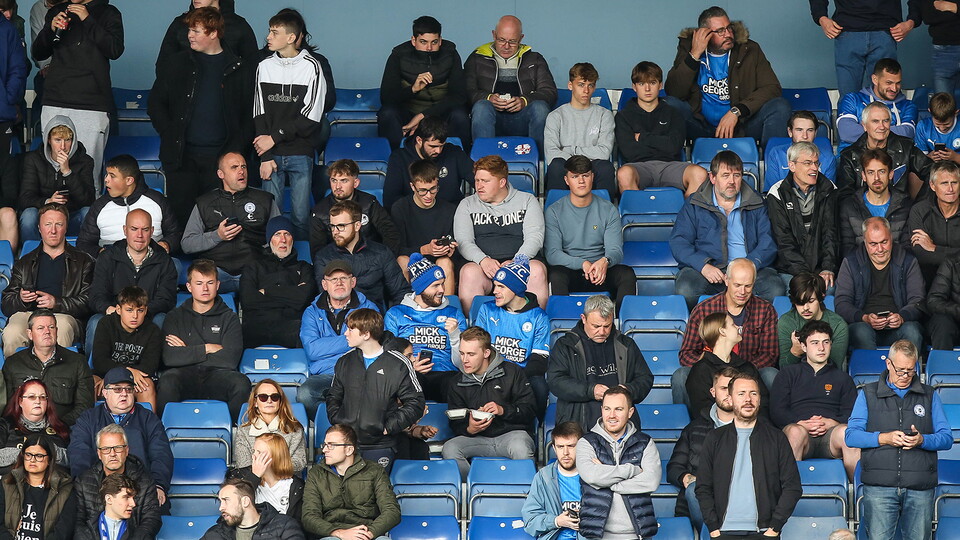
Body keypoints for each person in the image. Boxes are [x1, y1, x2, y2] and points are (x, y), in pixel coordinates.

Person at [148, 5, 255, 227]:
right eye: (190, 30)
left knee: (219, 224)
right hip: (182, 157)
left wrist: (235, 150)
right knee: (181, 221)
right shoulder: (176, 64)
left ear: (214, 33)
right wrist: (170, 133)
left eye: (196, 31)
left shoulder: (239, 69)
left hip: (221, 158)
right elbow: (155, 104)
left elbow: (249, 115)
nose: (189, 36)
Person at [845, 339, 953, 540]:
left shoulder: (929, 395)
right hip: (879, 487)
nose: (905, 376)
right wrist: (883, 438)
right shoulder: (867, 393)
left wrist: (922, 440)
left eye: (910, 370)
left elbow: (946, 438)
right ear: (888, 364)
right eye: (900, 370)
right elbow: (851, 436)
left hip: (920, 486)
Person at [664, 5, 790, 148]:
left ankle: (772, 164)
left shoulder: (749, 49)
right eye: (720, 31)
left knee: (780, 106)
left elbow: (772, 87)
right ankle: (670, 165)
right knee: (669, 104)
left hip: (741, 127)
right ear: (705, 34)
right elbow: (674, 92)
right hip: (700, 127)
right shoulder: (689, 49)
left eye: (729, 28)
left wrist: (736, 111)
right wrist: (694, 55)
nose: (728, 34)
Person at [696, 372, 802, 539]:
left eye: (753, 393)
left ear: (759, 399)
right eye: (741, 393)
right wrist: (714, 528)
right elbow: (703, 487)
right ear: (730, 399)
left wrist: (774, 528)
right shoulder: (715, 438)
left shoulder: (776, 438)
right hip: (723, 532)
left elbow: (793, 487)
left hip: (765, 532)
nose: (748, 399)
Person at [670, 151, 783, 307]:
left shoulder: (757, 202)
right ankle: (706, 330)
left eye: (736, 175)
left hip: (749, 269)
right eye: (725, 175)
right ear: (712, 177)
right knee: (686, 289)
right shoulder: (695, 203)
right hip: (710, 271)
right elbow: (679, 242)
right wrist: (703, 266)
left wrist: (748, 265)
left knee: (774, 290)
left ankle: (753, 329)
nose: (732, 181)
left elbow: (768, 241)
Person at [32, 0, 123, 183]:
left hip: (92, 103)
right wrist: (50, 29)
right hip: (55, 99)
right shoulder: (58, 10)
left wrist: (87, 19)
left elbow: (114, 49)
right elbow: (38, 53)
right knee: (53, 171)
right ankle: (54, 211)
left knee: (88, 173)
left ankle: (89, 212)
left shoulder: (109, 12)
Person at [254, 9, 324, 241]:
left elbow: (311, 118)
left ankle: (303, 264)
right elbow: (258, 113)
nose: (268, 37)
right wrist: (265, 155)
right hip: (271, 155)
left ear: (291, 38)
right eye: (270, 31)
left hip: (300, 152)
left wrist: (273, 138)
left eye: (275, 32)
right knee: (272, 218)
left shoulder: (312, 66)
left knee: (301, 217)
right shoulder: (264, 66)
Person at [326, 309, 424, 472]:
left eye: (351, 329)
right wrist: (338, 420)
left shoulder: (397, 363)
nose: (345, 334)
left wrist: (388, 426)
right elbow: (333, 396)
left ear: (366, 334)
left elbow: (416, 402)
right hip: (347, 444)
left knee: (375, 494)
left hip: (380, 445)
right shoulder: (345, 361)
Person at [159, 259, 250, 420]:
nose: (205, 288)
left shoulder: (230, 317)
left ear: (218, 285)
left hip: (218, 376)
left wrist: (186, 352)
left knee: (241, 383)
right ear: (189, 287)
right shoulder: (175, 316)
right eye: (199, 283)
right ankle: (166, 432)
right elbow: (169, 357)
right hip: (184, 376)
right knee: (167, 381)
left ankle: (233, 435)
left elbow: (229, 360)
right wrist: (207, 348)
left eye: (210, 282)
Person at [454, 155, 547, 313]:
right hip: (483, 267)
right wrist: (483, 260)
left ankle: (533, 324)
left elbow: (535, 238)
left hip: (519, 263)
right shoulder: (467, 204)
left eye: (485, 181)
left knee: (537, 270)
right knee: (469, 273)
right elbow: (463, 241)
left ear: (502, 182)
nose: (479, 186)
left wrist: (517, 262)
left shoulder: (527, 200)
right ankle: (475, 331)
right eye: (477, 180)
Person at [442, 326, 537, 479]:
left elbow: (530, 410)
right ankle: (476, 490)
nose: (464, 360)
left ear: (486, 353)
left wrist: (503, 410)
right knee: (450, 448)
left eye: (471, 354)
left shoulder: (512, 372)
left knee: (521, 447)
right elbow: (454, 422)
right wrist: (469, 428)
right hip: (476, 439)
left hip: (511, 435)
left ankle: (522, 493)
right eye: (462, 353)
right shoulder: (456, 382)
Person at [548, 295, 653, 430]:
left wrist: (628, 391)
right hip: (578, 421)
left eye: (607, 326)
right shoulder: (565, 345)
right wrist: (590, 390)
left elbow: (645, 378)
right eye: (596, 326)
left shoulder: (626, 344)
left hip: (621, 421)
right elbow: (555, 381)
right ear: (583, 318)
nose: (602, 332)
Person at [68, 367, 173, 501]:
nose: (124, 394)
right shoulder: (88, 419)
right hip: (98, 490)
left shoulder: (148, 418)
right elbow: (79, 454)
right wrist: (88, 489)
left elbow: (161, 454)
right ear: (105, 393)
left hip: (141, 491)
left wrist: (158, 485)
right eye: (117, 389)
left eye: (128, 389)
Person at [1, 203, 93, 357]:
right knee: (12, 332)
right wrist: (21, 299)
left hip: (63, 315)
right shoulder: (25, 262)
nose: (53, 230)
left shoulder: (84, 261)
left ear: (66, 227)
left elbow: (89, 302)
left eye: (59, 224)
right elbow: (6, 303)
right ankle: (16, 379)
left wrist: (56, 303)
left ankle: (58, 379)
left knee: (61, 327)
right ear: (39, 228)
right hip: (29, 314)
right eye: (48, 224)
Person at [771, 320, 860, 479]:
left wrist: (832, 422)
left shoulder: (843, 378)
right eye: (815, 343)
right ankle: (789, 492)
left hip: (831, 436)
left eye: (826, 342)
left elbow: (852, 413)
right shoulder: (788, 374)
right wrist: (800, 422)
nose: (821, 348)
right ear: (804, 347)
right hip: (800, 433)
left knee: (848, 433)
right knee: (794, 432)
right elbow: (777, 411)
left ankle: (858, 494)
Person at [181, 151, 280, 293]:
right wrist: (217, 236)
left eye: (244, 167)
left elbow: (281, 235)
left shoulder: (265, 200)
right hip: (216, 273)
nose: (241, 171)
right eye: (234, 167)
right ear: (221, 174)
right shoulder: (205, 202)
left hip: (254, 271)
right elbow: (187, 244)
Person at [676, 258, 779, 391]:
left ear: (754, 283)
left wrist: (741, 371)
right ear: (726, 280)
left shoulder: (766, 310)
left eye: (748, 286)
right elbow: (686, 353)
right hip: (710, 374)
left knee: (771, 375)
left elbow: (769, 354)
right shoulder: (703, 309)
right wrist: (714, 370)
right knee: (681, 376)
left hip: (750, 374)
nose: (742, 292)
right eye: (737, 285)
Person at [86, 209, 178, 352]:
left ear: (152, 231)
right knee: (95, 322)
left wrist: (139, 313)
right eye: (134, 229)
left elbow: (166, 299)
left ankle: (157, 372)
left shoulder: (165, 261)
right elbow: (96, 295)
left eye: (145, 229)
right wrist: (117, 312)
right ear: (125, 230)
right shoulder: (107, 257)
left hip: (148, 315)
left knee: (161, 320)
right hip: (115, 315)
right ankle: (94, 373)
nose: (139, 235)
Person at [296, 260, 378, 419]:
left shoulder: (369, 308)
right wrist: (355, 339)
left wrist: (326, 347)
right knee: (305, 394)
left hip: (360, 372)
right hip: (325, 374)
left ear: (353, 282)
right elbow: (313, 350)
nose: (339, 283)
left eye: (344, 278)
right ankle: (332, 428)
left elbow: (372, 344)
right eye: (333, 279)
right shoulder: (311, 312)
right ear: (324, 284)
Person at [575, 387, 660, 540]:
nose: (611, 415)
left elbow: (651, 481)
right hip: (596, 534)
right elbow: (592, 476)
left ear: (630, 412)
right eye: (607, 409)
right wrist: (631, 470)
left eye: (618, 409)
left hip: (638, 534)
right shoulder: (586, 442)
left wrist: (606, 478)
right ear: (601, 410)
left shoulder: (645, 443)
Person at [464, 15, 555, 154]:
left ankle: (539, 166)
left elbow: (550, 92)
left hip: (523, 119)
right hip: (489, 118)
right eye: (501, 40)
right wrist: (489, 98)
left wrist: (525, 101)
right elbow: (466, 91)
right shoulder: (477, 58)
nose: (506, 46)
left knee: (540, 108)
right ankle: (484, 166)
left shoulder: (534, 59)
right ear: (494, 35)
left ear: (521, 38)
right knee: (482, 106)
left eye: (512, 41)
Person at [616, 60, 707, 197]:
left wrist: (643, 138)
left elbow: (674, 147)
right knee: (624, 173)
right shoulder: (623, 116)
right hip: (639, 167)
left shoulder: (674, 113)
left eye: (652, 83)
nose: (647, 89)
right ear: (634, 87)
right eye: (641, 84)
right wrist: (662, 142)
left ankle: (686, 217)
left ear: (660, 85)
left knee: (699, 173)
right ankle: (639, 216)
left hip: (670, 166)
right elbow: (630, 152)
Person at [475, 255, 551, 419]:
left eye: (501, 287)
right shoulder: (486, 310)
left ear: (516, 289)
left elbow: (539, 360)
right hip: (490, 371)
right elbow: (477, 348)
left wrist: (512, 378)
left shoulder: (539, 317)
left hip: (523, 375)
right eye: (495, 286)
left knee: (539, 385)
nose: (495, 291)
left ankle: (533, 428)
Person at [546, 157, 630, 304]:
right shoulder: (554, 211)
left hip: (601, 271)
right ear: (567, 180)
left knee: (626, 274)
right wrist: (582, 263)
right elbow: (552, 254)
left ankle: (618, 322)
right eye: (575, 177)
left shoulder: (608, 209)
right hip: (571, 270)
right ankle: (564, 321)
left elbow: (616, 250)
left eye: (585, 175)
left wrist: (605, 261)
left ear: (592, 177)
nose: (581, 181)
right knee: (556, 275)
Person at [378, 15, 468, 150]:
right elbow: (386, 98)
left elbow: (459, 96)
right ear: (413, 40)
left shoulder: (450, 54)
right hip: (408, 114)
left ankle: (460, 160)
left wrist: (422, 116)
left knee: (460, 115)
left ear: (440, 41)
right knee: (387, 113)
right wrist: (412, 89)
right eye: (423, 42)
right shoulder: (399, 55)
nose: (429, 48)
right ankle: (393, 160)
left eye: (434, 42)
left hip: (440, 113)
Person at [384, 254, 466, 402]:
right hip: (410, 375)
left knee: (459, 384)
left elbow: (463, 364)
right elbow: (388, 358)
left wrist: (454, 335)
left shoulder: (453, 314)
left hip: (446, 374)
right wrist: (409, 366)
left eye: (442, 283)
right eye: (435, 285)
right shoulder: (396, 314)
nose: (442, 289)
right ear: (420, 288)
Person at [835, 216, 925, 351]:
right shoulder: (851, 262)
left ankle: (906, 372)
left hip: (899, 326)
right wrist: (864, 318)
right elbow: (842, 303)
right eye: (873, 244)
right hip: (864, 326)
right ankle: (870, 372)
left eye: (884, 242)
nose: (880, 249)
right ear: (865, 242)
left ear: (892, 238)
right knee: (860, 331)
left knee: (912, 331)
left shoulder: (907, 260)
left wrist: (902, 316)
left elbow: (918, 300)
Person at [668, 367, 737, 533]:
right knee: (694, 489)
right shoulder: (694, 428)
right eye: (723, 388)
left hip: (738, 503)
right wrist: (685, 476)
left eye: (732, 388)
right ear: (713, 392)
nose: (728, 393)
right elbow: (674, 467)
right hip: (701, 503)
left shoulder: (756, 430)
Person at [766, 141, 840, 295]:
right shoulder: (777, 193)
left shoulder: (829, 190)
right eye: (807, 163)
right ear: (792, 166)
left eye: (816, 163)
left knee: (830, 290)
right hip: (789, 270)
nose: (814, 168)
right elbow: (784, 241)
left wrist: (827, 268)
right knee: (797, 291)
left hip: (821, 268)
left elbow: (831, 234)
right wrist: (804, 274)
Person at [302, 424, 399, 540]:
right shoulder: (316, 473)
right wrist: (339, 533)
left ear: (349, 450)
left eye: (331, 445)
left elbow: (392, 511)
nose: (324, 450)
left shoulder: (374, 471)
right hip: (333, 534)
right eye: (325, 445)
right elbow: (309, 516)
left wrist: (368, 534)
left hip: (367, 532)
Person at [76, 154, 181, 259]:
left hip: (153, 262)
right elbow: (84, 243)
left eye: (112, 176)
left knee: (175, 265)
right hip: (111, 264)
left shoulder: (157, 200)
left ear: (129, 180)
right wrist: (100, 252)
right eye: (106, 175)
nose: (106, 180)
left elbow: (175, 234)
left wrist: (166, 244)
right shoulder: (99, 205)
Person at [313, 200, 409, 311]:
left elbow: (401, 292)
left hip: (373, 320)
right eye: (332, 226)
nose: (335, 232)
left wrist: (392, 319)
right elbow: (324, 298)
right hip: (338, 321)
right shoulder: (323, 257)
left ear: (357, 225)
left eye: (341, 226)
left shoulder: (381, 253)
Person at [811, 0, 919, 96]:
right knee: (849, 98)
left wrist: (911, 21)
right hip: (850, 31)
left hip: (883, 31)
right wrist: (822, 18)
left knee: (885, 96)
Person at [2, 309, 92, 424]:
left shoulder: (78, 362)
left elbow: (84, 406)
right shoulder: (13, 363)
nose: (47, 332)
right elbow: (9, 407)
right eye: (40, 328)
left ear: (57, 331)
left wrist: (57, 426)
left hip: (63, 432)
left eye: (51, 327)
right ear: (30, 334)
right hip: (22, 432)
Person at [238, 216, 317, 348]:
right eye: (277, 234)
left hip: (293, 329)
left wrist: (267, 291)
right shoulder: (253, 267)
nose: (283, 240)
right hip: (257, 329)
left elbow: (302, 299)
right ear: (270, 240)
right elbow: (248, 300)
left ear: (292, 239)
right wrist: (291, 295)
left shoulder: (304, 268)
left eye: (287, 234)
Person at [73, 425, 161, 540]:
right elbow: (77, 521)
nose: (112, 453)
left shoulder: (145, 481)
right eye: (106, 449)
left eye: (118, 448)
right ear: (99, 454)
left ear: (126, 450)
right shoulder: (83, 481)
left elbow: (151, 519)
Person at [18, 115, 94, 241]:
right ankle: (31, 256)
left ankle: (83, 256)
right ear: (49, 140)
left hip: (70, 215)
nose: (63, 146)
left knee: (87, 213)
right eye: (58, 140)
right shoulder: (33, 159)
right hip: (44, 217)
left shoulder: (85, 161)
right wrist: (48, 201)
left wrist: (67, 172)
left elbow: (88, 200)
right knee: (28, 216)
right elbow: (25, 198)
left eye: (68, 140)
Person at [543, 63, 615, 193]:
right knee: (556, 165)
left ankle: (605, 211)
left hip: (592, 166)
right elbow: (552, 154)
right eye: (581, 85)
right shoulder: (555, 116)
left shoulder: (605, 115)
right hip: (566, 165)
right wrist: (578, 161)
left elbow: (604, 152)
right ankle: (555, 211)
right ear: (570, 85)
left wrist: (571, 149)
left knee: (606, 167)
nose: (586, 91)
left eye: (590, 85)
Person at [836, 102, 933, 199]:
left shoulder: (906, 147)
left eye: (885, 121)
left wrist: (921, 204)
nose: (882, 127)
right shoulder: (850, 155)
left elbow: (934, 172)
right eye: (875, 121)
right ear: (864, 126)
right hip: (862, 212)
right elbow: (845, 195)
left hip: (900, 210)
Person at [391, 159, 459, 295]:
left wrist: (450, 249)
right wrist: (424, 250)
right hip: (413, 260)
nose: (428, 195)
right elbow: (396, 249)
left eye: (433, 189)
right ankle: (407, 307)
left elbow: (454, 242)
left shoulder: (449, 209)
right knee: (402, 260)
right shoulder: (400, 208)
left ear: (437, 184)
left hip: (439, 263)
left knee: (445, 261)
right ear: (412, 187)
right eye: (422, 191)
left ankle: (447, 310)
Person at [308, 158, 399, 258]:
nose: (337, 186)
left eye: (344, 181)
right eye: (334, 181)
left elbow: (390, 233)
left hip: (372, 260)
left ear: (355, 183)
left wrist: (385, 260)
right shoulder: (319, 212)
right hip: (338, 264)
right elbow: (318, 251)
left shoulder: (369, 203)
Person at [89, 287, 162, 410]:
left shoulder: (152, 330)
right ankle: (89, 426)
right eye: (129, 310)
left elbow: (150, 365)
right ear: (118, 309)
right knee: (89, 382)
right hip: (106, 376)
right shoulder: (106, 324)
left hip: (135, 380)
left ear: (146, 311)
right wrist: (118, 374)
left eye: (140, 310)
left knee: (147, 385)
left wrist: (124, 377)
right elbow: (100, 361)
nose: (135, 316)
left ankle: (149, 427)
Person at [685, 312, 767, 419]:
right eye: (733, 325)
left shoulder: (746, 367)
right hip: (715, 432)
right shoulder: (701, 370)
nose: (738, 327)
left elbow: (763, 402)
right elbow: (702, 410)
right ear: (722, 331)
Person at [383, 115, 471, 209]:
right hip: (413, 217)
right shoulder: (399, 158)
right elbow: (391, 199)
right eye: (433, 146)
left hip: (451, 216)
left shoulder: (454, 153)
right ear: (419, 140)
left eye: (442, 146)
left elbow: (477, 175)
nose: (438, 151)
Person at [838, 147, 913, 255]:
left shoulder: (905, 205)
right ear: (863, 176)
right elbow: (847, 249)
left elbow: (907, 249)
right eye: (871, 172)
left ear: (891, 174)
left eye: (882, 171)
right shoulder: (849, 206)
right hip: (860, 269)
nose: (876, 178)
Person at [0, 433, 76, 540]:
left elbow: (63, 532)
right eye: (28, 455)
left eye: (39, 456)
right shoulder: (7, 483)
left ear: (49, 459)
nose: (32, 460)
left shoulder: (65, 489)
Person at [156, 0, 258, 75]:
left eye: (196, 31)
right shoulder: (180, 24)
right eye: (191, 30)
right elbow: (163, 65)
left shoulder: (239, 25)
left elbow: (253, 66)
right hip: (185, 98)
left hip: (226, 98)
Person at [521, 421, 583, 540]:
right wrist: (557, 521)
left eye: (571, 446)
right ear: (554, 448)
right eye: (560, 447)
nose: (565, 453)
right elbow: (530, 521)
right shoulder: (543, 477)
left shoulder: (593, 474)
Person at [837, 58, 918, 145]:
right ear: (875, 79)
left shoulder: (908, 105)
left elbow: (906, 134)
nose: (894, 89)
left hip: (892, 157)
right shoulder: (852, 99)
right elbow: (847, 132)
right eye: (889, 83)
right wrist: (890, 131)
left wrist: (870, 130)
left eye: (898, 83)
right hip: (854, 156)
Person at [778, 273, 849, 369]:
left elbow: (834, 368)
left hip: (827, 379)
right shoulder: (785, 322)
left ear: (821, 297)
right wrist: (795, 352)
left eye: (811, 301)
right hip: (794, 379)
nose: (806, 308)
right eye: (800, 302)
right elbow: (783, 369)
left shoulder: (838, 325)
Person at [234, 380, 307, 473]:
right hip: (253, 483)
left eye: (275, 397)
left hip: (285, 481)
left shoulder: (295, 429)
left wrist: (267, 469)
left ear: (280, 402)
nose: (269, 401)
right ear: (255, 402)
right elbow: (243, 466)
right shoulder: (243, 432)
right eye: (263, 397)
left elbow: (299, 463)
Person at [906, 160, 960, 285]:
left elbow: (929, 253)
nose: (950, 189)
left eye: (954, 183)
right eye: (944, 183)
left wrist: (934, 248)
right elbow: (921, 255)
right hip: (929, 282)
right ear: (932, 185)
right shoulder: (919, 210)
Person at [228, 433, 303, 520]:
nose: (253, 456)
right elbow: (234, 508)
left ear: (276, 456)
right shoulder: (240, 476)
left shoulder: (297, 486)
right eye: (254, 451)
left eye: (259, 452)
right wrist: (254, 477)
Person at [0, 380, 69, 474]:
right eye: (32, 397)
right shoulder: (5, 425)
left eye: (42, 397)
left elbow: (74, 459)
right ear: (20, 401)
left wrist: (52, 451)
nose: (38, 401)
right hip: (9, 483)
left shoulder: (61, 427)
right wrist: (29, 452)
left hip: (52, 484)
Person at [202, 477, 304, 540]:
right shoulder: (215, 534)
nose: (221, 508)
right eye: (220, 501)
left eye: (226, 500)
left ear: (245, 501)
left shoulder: (284, 526)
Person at [763, 111, 837, 192]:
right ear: (790, 132)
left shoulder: (828, 158)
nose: (805, 136)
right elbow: (772, 192)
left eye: (810, 130)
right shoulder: (776, 154)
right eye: (799, 130)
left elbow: (828, 193)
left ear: (815, 133)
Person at [76, 473, 139, 540]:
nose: (133, 504)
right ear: (109, 499)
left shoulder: (138, 533)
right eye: (126, 497)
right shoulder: (85, 532)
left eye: (133, 498)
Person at [920, 0, 960, 96]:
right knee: (942, 107)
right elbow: (928, 15)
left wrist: (953, 7)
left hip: (943, 48)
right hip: (943, 50)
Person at [914, 91, 960, 162]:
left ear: (956, 113)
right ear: (929, 111)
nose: (942, 128)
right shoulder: (923, 127)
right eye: (938, 125)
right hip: (933, 169)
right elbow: (918, 162)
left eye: (947, 124)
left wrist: (955, 157)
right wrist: (929, 158)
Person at [928, 256, 960, 350]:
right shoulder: (951, 265)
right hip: (954, 322)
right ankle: (942, 364)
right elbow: (933, 301)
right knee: (942, 323)